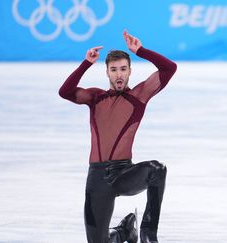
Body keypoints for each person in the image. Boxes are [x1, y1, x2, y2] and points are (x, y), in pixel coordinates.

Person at [59, 30, 177, 243]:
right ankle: (123, 232)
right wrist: (86, 63)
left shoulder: (139, 96)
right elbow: (65, 92)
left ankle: (148, 233)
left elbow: (170, 68)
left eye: (123, 69)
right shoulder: (95, 97)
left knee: (157, 170)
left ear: (130, 71)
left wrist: (141, 51)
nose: (119, 74)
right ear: (107, 73)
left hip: (124, 174)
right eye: (114, 70)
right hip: (97, 179)